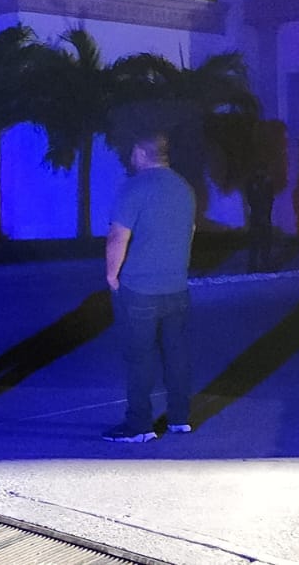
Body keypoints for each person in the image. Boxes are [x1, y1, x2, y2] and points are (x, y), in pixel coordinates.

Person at [103, 131, 197, 442]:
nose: (131, 158)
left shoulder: (134, 187)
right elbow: (190, 231)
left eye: (133, 153)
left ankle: (139, 425)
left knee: (139, 357)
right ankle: (179, 418)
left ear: (142, 153)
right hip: (176, 286)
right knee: (176, 354)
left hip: (140, 288)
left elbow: (118, 236)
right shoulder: (184, 188)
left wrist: (112, 275)